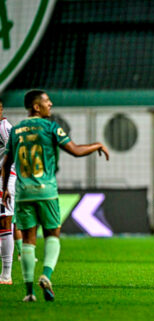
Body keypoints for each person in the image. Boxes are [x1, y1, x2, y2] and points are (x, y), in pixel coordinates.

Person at [2, 90, 109, 302]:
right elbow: (76, 150)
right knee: (52, 234)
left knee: (28, 240)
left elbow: (6, 163)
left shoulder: (16, 131)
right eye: (46, 101)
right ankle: (46, 275)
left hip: (23, 193)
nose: (50, 104)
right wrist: (97, 144)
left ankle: (29, 292)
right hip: (46, 191)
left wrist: (5, 188)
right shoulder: (51, 127)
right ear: (36, 106)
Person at [0, 98, 17, 284]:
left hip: (4, 181)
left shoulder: (5, 128)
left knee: (5, 225)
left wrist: (6, 186)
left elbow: (15, 155)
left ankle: (6, 275)